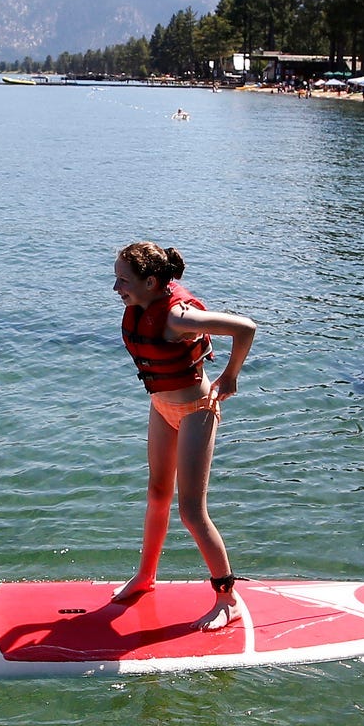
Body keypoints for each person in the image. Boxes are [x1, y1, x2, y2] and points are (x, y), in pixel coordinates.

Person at [109, 241, 258, 630]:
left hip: (196, 411)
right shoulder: (143, 306)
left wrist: (230, 377)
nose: (116, 288)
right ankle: (145, 576)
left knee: (191, 511)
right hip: (161, 407)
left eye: (123, 280)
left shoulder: (177, 317)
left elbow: (245, 328)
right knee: (157, 493)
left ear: (152, 281)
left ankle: (228, 597)